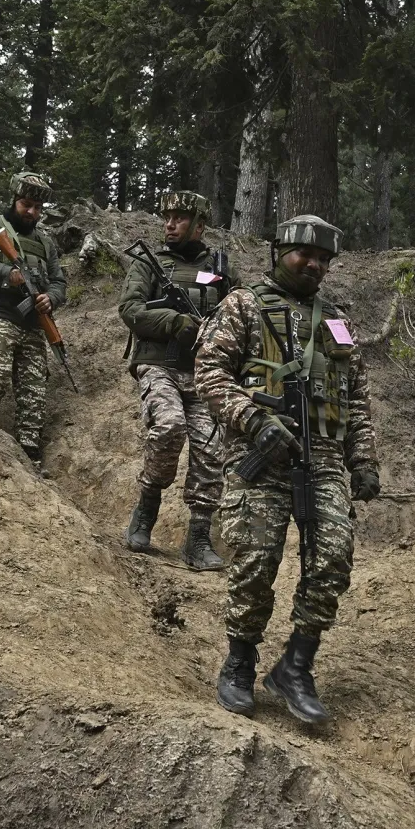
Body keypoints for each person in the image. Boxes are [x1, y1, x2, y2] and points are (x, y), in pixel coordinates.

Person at [195, 214, 379, 725]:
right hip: (261, 456)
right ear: (279, 252)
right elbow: (209, 374)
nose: (314, 265)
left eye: (323, 259)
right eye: (305, 255)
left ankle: (296, 666)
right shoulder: (243, 305)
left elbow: (355, 396)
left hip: (324, 459)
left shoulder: (337, 320)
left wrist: (363, 459)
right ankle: (239, 661)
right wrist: (254, 420)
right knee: (256, 560)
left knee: (333, 558)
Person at [118, 189, 233, 570]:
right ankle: (147, 508)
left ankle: (198, 538)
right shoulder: (150, 265)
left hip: (204, 372)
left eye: (179, 218)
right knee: (169, 424)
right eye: (166, 218)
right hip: (158, 365)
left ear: (199, 226)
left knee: (212, 447)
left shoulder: (219, 270)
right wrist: (174, 322)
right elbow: (130, 309)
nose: (169, 225)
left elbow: (239, 316)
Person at [0, 172, 68, 467]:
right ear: (14, 200)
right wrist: (7, 274)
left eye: (37, 208)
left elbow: (58, 282)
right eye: (26, 205)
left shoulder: (45, 242)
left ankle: (29, 455)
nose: (31, 212)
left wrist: (51, 298)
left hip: (32, 323)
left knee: (34, 392)